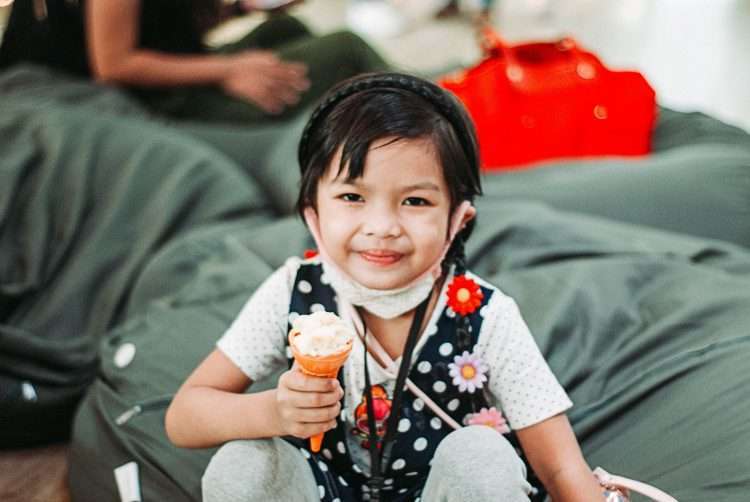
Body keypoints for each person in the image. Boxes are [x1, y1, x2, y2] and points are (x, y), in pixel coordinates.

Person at [165, 72, 617, 501]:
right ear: (312, 213)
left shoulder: (484, 316)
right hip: (327, 490)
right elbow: (183, 417)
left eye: (415, 201)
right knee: (243, 462)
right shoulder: (293, 291)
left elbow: (559, 467)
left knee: (483, 456)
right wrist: (273, 411)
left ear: (458, 221)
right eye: (352, 197)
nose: (381, 227)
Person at [0, 0, 388, 123]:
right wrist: (227, 71)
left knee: (286, 27)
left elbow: (163, 27)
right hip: (128, 104)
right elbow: (113, 65)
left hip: (166, 73)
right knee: (343, 47)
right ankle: (429, 106)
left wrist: (245, 8)